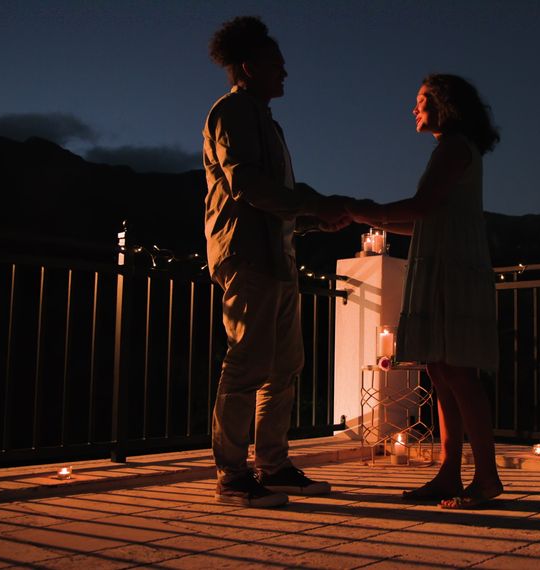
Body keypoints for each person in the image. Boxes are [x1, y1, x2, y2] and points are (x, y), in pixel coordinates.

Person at [203, 16, 350, 508]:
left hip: (279, 258)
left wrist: (313, 218)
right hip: (247, 257)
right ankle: (232, 475)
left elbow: (278, 200)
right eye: (276, 65)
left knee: (285, 365)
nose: (285, 73)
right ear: (249, 67)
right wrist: (313, 206)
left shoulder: (266, 121)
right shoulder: (232, 112)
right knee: (247, 364)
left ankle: (274, 465)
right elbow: (246, 185)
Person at [347, 74, 503, 509]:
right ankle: (449, 473)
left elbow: (419, 208)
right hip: (443, 260)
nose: (413, 109)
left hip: (450, 267)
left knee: (457, 371)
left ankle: (486, 477)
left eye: (422, 101)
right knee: (440, 369)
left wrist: (361, 209)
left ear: (445, 105)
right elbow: (423, 220)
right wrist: (366, 216)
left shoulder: (454, 147)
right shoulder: (452, 148)